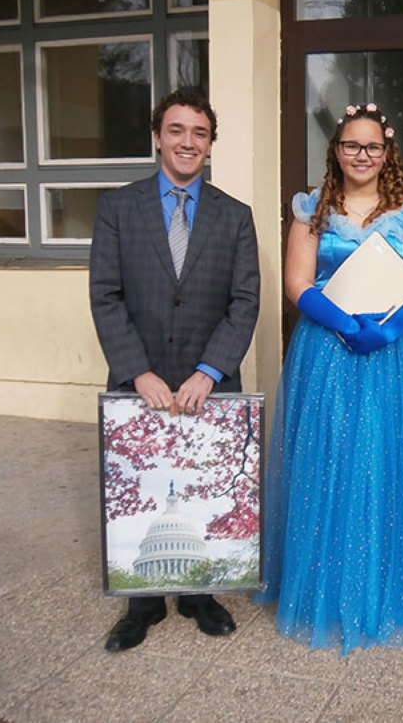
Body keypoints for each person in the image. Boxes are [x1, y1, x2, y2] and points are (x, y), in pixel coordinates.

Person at [255, 103, 403, 655]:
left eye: (373, 146)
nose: (362, 155)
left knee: (389, 457)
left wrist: (386, 328)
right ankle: (326, 585)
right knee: (331, 458)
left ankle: (389, 582)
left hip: (395, 350)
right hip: (328, 347)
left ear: (387, 152)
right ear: (337, 151)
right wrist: (345, 324)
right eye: (352, 145)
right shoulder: (312, 209)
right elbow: (297, 283)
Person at [90, 89, 261, 652]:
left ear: (210, 145)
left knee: (202, 488)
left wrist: (210, 370)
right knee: (143, 488)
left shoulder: (235, 216)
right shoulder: (118, 208)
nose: (188, 142)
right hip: (139, 381)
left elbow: (245, 301)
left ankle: (199, 595)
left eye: (200, 133)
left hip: (209, 383)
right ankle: (141, 606)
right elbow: (106, 295)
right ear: (157, 138)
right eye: (177, 130)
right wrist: (136, 371)